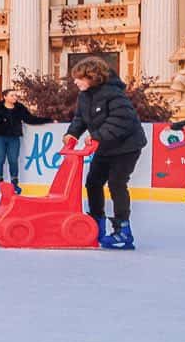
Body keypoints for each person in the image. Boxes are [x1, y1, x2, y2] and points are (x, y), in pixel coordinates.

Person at [63, 56, 146, 249]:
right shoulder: (84, 96)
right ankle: (95, 224)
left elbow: (121, 120)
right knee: (93, 182)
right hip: (105, 146)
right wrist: (72, 134)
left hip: (127, 146)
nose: (75, 82)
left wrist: (97, 136)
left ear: (92, 77)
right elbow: (80, 119)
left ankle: (123, 231)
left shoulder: (114, 94)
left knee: (117, 183)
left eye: (79, 78)